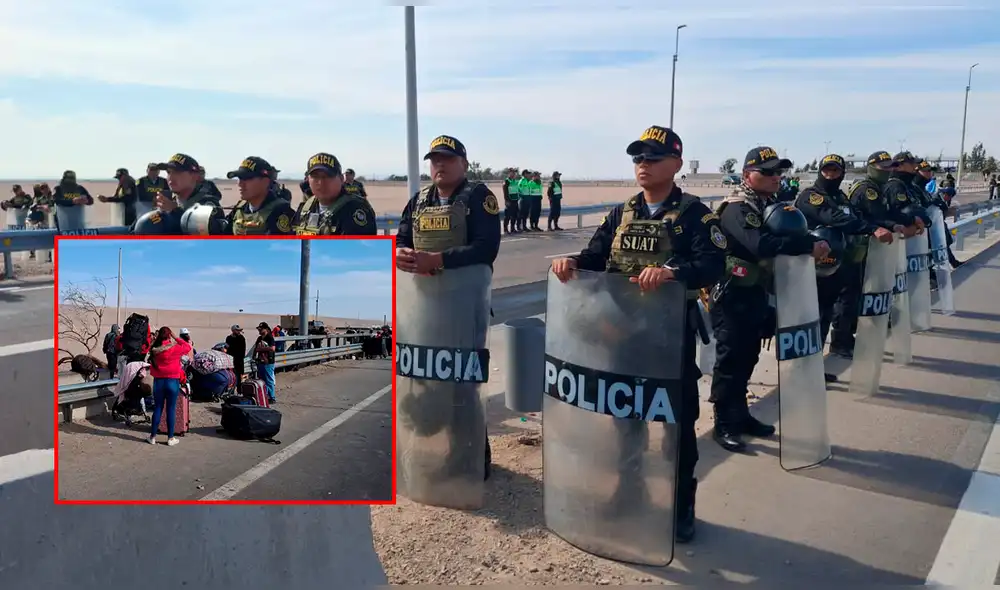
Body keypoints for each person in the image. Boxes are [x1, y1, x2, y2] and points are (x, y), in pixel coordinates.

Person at [551, 124, 726, 543]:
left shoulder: (695, 215)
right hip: (623, 335)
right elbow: (595, 257)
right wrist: (571, 262)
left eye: (652, 157)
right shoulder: (622, 212)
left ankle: (681, 507)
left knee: (676, 425)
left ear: (677, 164)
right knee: (626, 421)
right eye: (637, 158)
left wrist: (673, 272)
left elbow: (713, 265)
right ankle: (628, 492)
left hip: (670, 338)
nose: (643, 165)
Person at [395, 133, 502, 478]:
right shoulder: (419, 200)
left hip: (464, 306)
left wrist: (438, 260)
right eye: (434, 159)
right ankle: (434, 450)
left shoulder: (479, 198)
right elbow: (402, 237)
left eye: (447, 159)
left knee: (464, 383)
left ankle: (471, 456)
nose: (439, 165)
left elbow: (486, 248)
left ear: (463, 164)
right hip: (425, 306)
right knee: (429, 379)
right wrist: (401, 254)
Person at [709, 146, 829, 453]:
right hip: (733, 295)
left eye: (779, 172)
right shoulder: (738, 207)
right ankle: (723, 422)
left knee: (749, 356)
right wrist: (805, 245)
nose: (776, 177)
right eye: (769, 172)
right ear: (749, 174)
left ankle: (741, 416)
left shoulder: (767, 203)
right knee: (730, 361)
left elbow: (787, 231)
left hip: (756, 292)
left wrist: (810, 239)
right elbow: (759, 244)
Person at [794, 154, 897, 377]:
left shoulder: (840, 196)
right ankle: (804, 370)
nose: (830, 175)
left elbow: (857, 215)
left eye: (835, 171)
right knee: (814, 316)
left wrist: (882, 226)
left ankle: (815, 366)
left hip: (839, 264)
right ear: (820, 171)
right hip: (815, 268)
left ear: (842, 173)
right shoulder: (811, 196)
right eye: (826, 170)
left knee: (828, 313)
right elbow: (834, 217)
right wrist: (871, 229)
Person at [137, 153, 225, 234]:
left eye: (177, 172)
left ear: (194, 176)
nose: (170, 177)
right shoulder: (166, 199)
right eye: (168, 172)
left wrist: (175, 211)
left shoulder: (207, 205)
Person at [294, 153, 377, 235]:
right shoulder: (304, 210)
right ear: (308, 180)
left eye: (328, 176)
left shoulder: (355, 210)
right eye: (315, 176)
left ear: (341, 179)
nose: (321, 182)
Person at [225, 157, 297, 235]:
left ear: (265, 182)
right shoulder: (240, 208)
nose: (240, 184)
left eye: (247, 178)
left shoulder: (280, 211)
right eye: (239, 178)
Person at [147, 326, 192, 446]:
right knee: (170, 409)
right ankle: (170, 438)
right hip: (173, 381)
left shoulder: (155, 349)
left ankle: (152, 437)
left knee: (157, 408)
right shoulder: (176, 348)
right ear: (169, 335)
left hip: (158, 382)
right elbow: (188, 346)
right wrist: (176, 337)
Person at [253, 322, 277, 404]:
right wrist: (254, 357)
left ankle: (272, 397)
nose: (259, 330)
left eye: (261, 329)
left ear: (266, 329)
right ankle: (264, 395)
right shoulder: (259, 338)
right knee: (261, 380)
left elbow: (273, 348)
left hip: (268, 362)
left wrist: (261, 349)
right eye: (258, 329)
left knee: (269, 379)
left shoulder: (269, 337)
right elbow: (256, 349)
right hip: (260, 361)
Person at [502, 167, 520, 234]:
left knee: (515, 215)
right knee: (508, 216)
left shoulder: (515, 181)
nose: (513, 174)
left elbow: (517, 190)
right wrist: (506, 201)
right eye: (512, 172)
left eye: (514, 173)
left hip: (515, 200)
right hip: (509, 201)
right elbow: (505, 192)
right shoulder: (506, 181)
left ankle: (512, 228)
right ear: (509, 173)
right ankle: (505, 229)